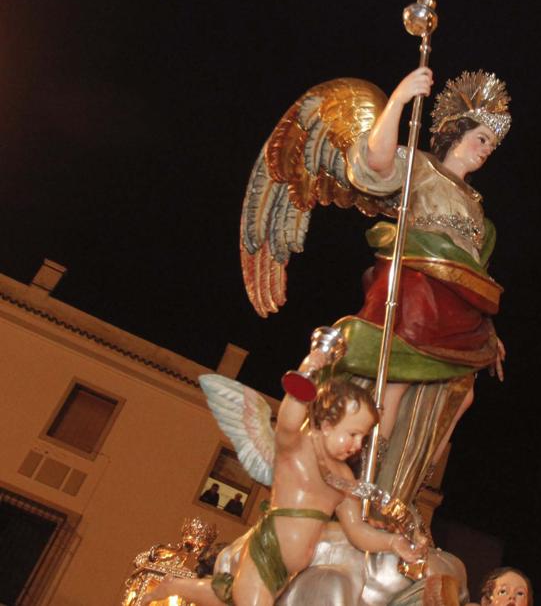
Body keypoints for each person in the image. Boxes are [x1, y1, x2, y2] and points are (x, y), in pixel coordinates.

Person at [332, 67, 510, 506]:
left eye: (492, 144)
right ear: (455, 132)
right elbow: (376, 162)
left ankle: (409, 479)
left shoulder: (477, 210)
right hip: (417, 291)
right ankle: (369, 475)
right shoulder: (422, 169)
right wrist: (399, 98)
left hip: (458, 304)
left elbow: (476, 274)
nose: (486, 150)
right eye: (481, 138)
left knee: (461, 394)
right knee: (397, 381)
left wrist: (490, 332)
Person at [142, 358, 425, 606]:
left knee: (226, 596)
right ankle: (175, 586)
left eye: (363, 438)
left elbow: (357, 531)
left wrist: (392, 543)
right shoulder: (297, 450)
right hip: (267, 552)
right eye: (352, 434)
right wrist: (313, 364)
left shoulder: (343, 477)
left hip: (291, 570)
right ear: (326, 424)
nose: (357, 445)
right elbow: (290, 415)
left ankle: (175, 585)